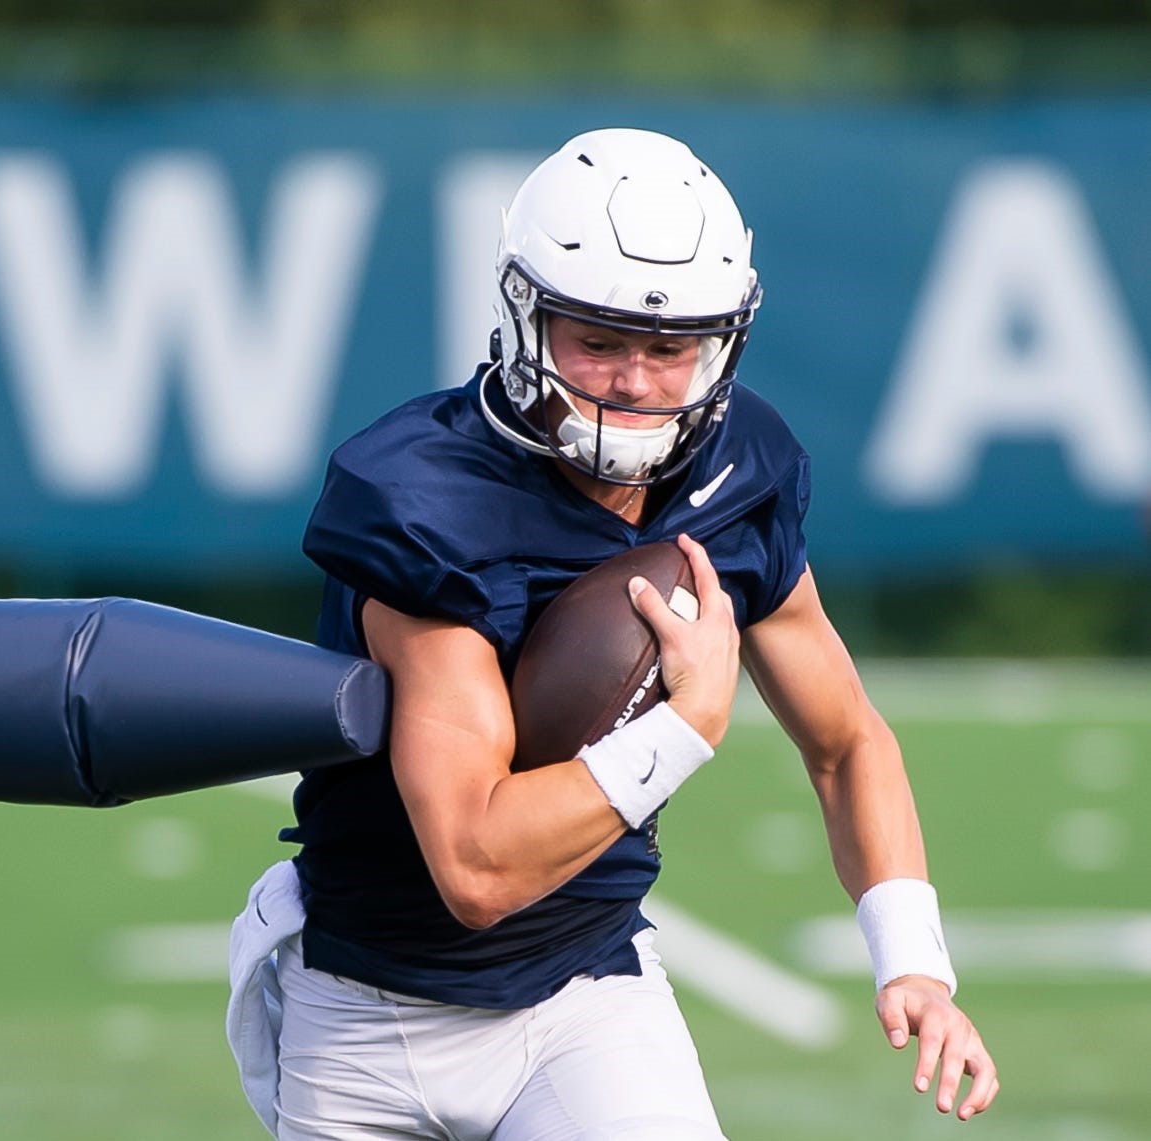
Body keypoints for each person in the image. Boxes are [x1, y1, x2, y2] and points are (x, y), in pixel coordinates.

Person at [227, 128, 998, 1140]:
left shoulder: (739, 471)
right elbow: (473, 867)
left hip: (583, 995)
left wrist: (913, 962)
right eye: (596, 340)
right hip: (369, 1012)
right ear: (522, 316)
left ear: (719, 342)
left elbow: (845, 739)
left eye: (668, 347)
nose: (631, 381)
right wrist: (684, 726)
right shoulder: (421, 497)